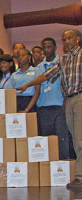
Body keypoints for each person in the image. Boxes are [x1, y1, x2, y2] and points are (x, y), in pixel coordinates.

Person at [16, 29, 82, 188]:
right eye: (64, 39)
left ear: (78, 39)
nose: (66, 42)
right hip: (68, 100)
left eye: (69, 38)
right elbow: (46, 75)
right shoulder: (64, 59)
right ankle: (79, 176)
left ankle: (80, 177)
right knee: (75, 139)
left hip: (80, 98)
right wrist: (27, 84)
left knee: (80, 139)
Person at [36, 37, 73, 160]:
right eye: (44, 47)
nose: (47, 50)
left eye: (49, 46)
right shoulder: (39, 67)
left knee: (61, 139)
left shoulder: (63, 63)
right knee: (46, 141)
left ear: (56, 47)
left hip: (59, 107)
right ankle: (48, 168)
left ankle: (62, 168)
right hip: (43, 107)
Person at [7, 48, 40, 112]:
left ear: (29, 57)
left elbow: (37, 92)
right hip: (16, 101)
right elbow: (10, 93)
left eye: (23, 55)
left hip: (31, 102)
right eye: (19, 56)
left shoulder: (36, 71)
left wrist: (27, 109)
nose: (21, 57)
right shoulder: (14, 74)